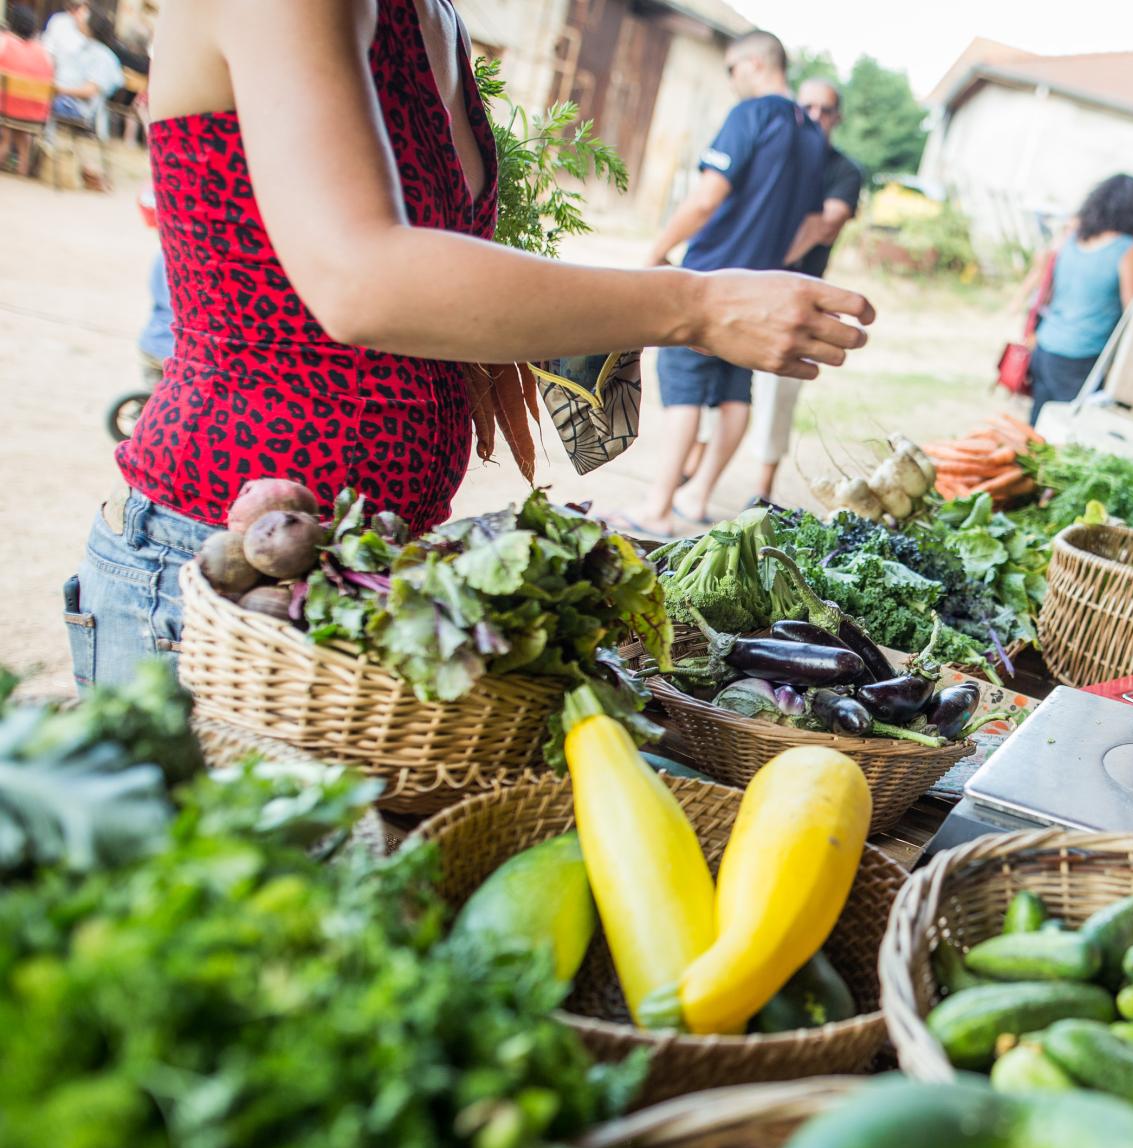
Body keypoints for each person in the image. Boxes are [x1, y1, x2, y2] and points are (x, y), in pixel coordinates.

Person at [66, 0, 872, 691]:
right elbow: (360, 280)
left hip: (372, 572)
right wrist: (693, 305)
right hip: (219, 570)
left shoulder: (437, 17)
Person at [633, 29, 826, 533]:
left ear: (756, 64)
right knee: (735, 393)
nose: (732, 80)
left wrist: (654, 253)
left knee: (684, 393)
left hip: (708, 278)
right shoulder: (811, 134)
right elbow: (811, 223)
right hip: (760, 289)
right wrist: (769, 261)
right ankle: (695, 500)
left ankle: (656, 509)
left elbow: (704, 198)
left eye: (732, 70)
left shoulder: (752, 115)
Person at [733, 75, 865, 504]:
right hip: (746, 287)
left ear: (837, 117)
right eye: (808, 107)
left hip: (800, 295)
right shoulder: (780, 155)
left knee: (778, 392)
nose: (816, 116)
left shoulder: (843, 170)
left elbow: (826, 224)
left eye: (825, 110)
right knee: (723, 384)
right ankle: (694, 471)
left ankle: (761, 489)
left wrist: (767, 250)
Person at [1027, 173, 1133, 424]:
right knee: (1069, 432)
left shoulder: (1073, 238)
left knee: (1038, 427)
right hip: (1081, 355)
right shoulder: (1128, 249)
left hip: (1047, 344)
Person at [49, 9, 121, 142]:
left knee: (38, 103)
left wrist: (59, 90)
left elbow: (90, 90)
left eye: (84, 17)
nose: (79, 19)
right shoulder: (87, 48)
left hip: (78, 107)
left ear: (91, 26)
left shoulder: (101, 55)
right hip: (67, 99)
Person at [0, 5, 54, 174]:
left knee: (9, 113)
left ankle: (5, 147)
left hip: (6, 108)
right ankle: (22, 165)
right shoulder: (44, 52)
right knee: (18, 123)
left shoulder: (4, 42)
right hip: (35, 114)